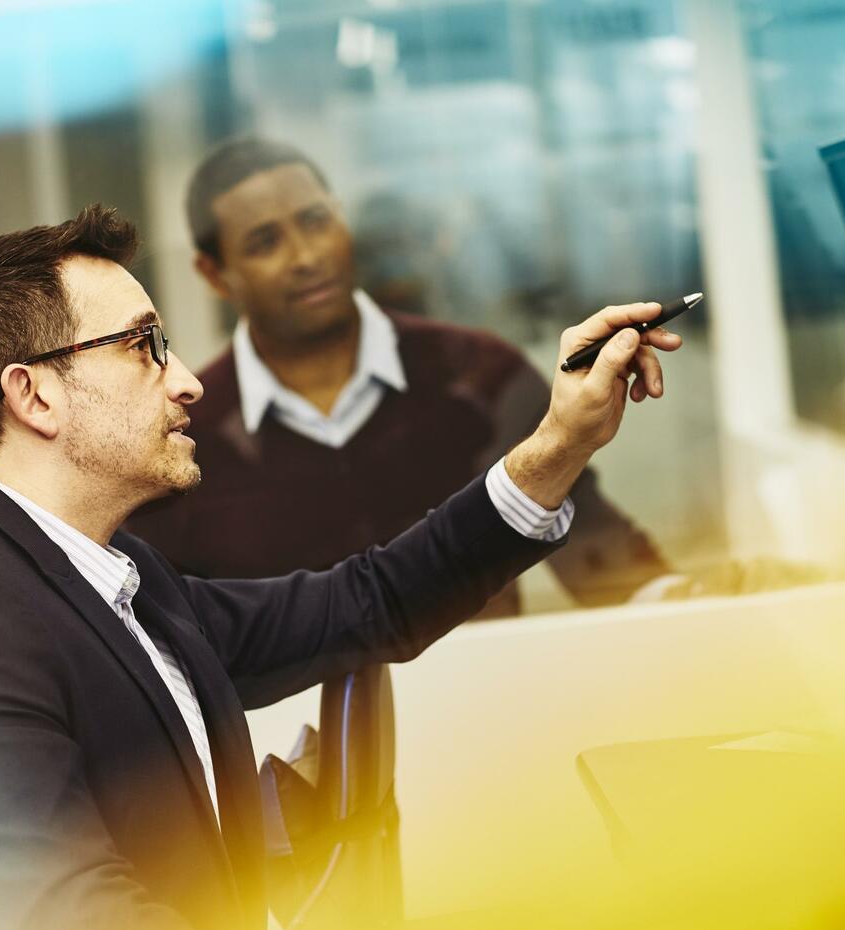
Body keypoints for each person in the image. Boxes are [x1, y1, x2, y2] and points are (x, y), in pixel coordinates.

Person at [0, 205, 680, 930]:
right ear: (34, 394)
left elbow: (368, 604)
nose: (186, 380)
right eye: (141, 346)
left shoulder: (117, 579)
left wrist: (559, 443)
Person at [125, 137, 670, 616]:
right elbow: (170, 634)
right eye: (266, 242)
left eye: (316, 222)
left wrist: (690, 603)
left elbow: (603, 559)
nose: (306, 256)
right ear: (214, 273)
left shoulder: (481, 377)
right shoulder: (185, 429)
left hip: (497, 713)